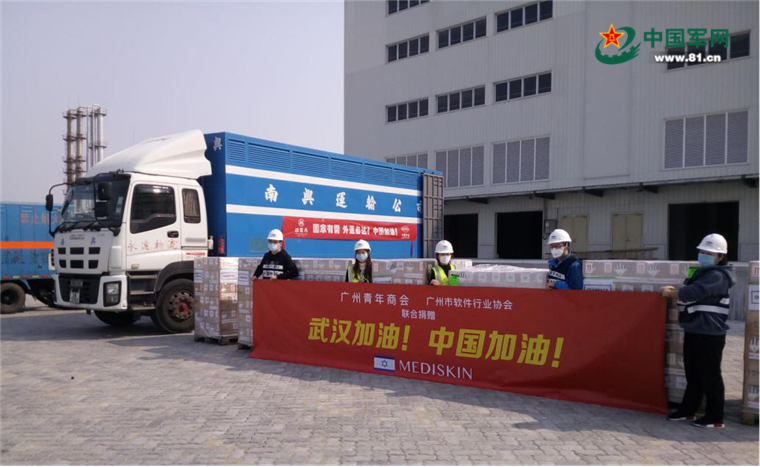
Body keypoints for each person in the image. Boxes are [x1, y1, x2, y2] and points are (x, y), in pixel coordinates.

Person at [661, 233, 735, 429]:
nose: (704, 255)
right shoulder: (702, 273)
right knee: (693, 374)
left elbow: (692, 293)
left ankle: (715, 417)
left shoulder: (718, 276)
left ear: (720, 257)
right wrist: (676, 290)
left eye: (709, 253)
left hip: (710, 333)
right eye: (702, 251)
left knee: (710, 375)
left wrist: (671, 293)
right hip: (695, 329)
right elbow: (688, 290)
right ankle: (688, 410)